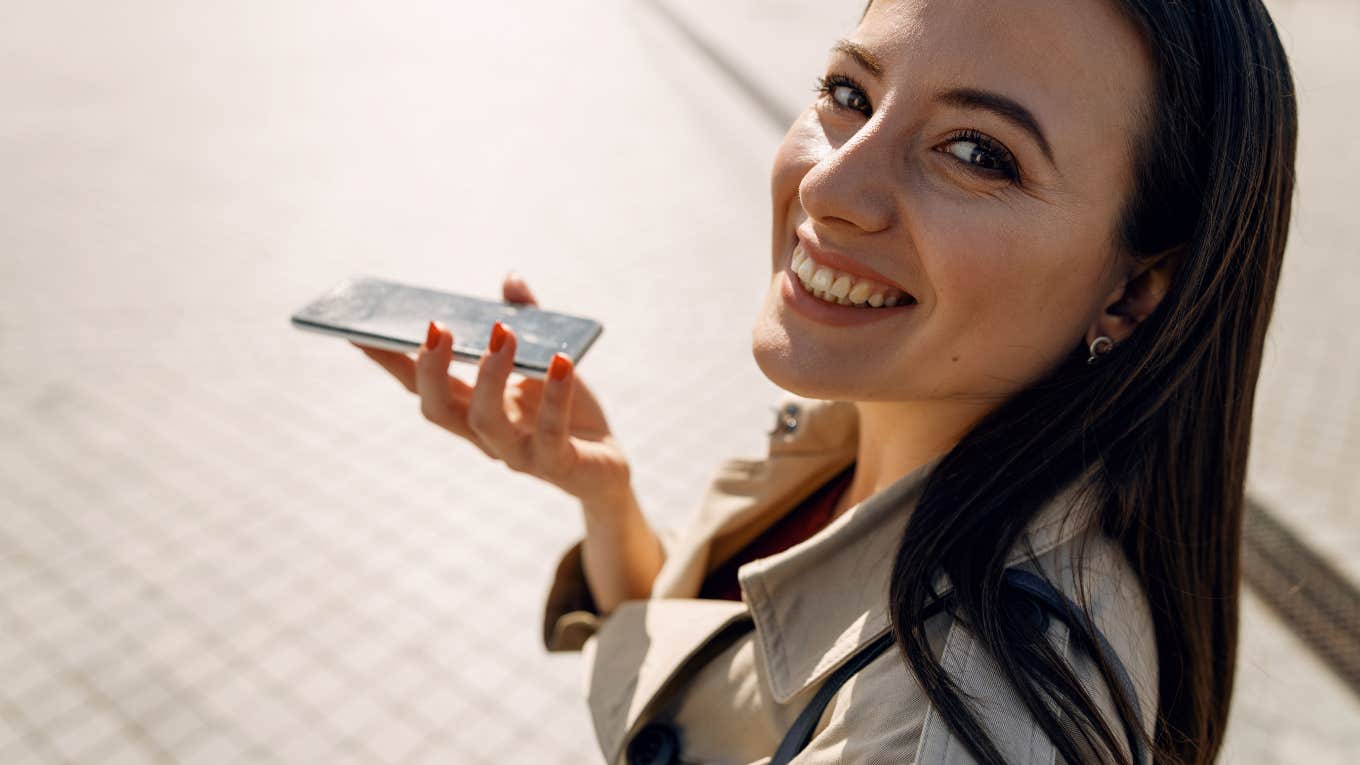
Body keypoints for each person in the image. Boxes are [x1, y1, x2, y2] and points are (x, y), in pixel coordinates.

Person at [353, 0, 1297, 762]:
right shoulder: (874, 422)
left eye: (976, 152)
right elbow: (728, 673)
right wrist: (606, 497)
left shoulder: (955, 721)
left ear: (1134, 291)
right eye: (850, 90)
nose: (829, 188)